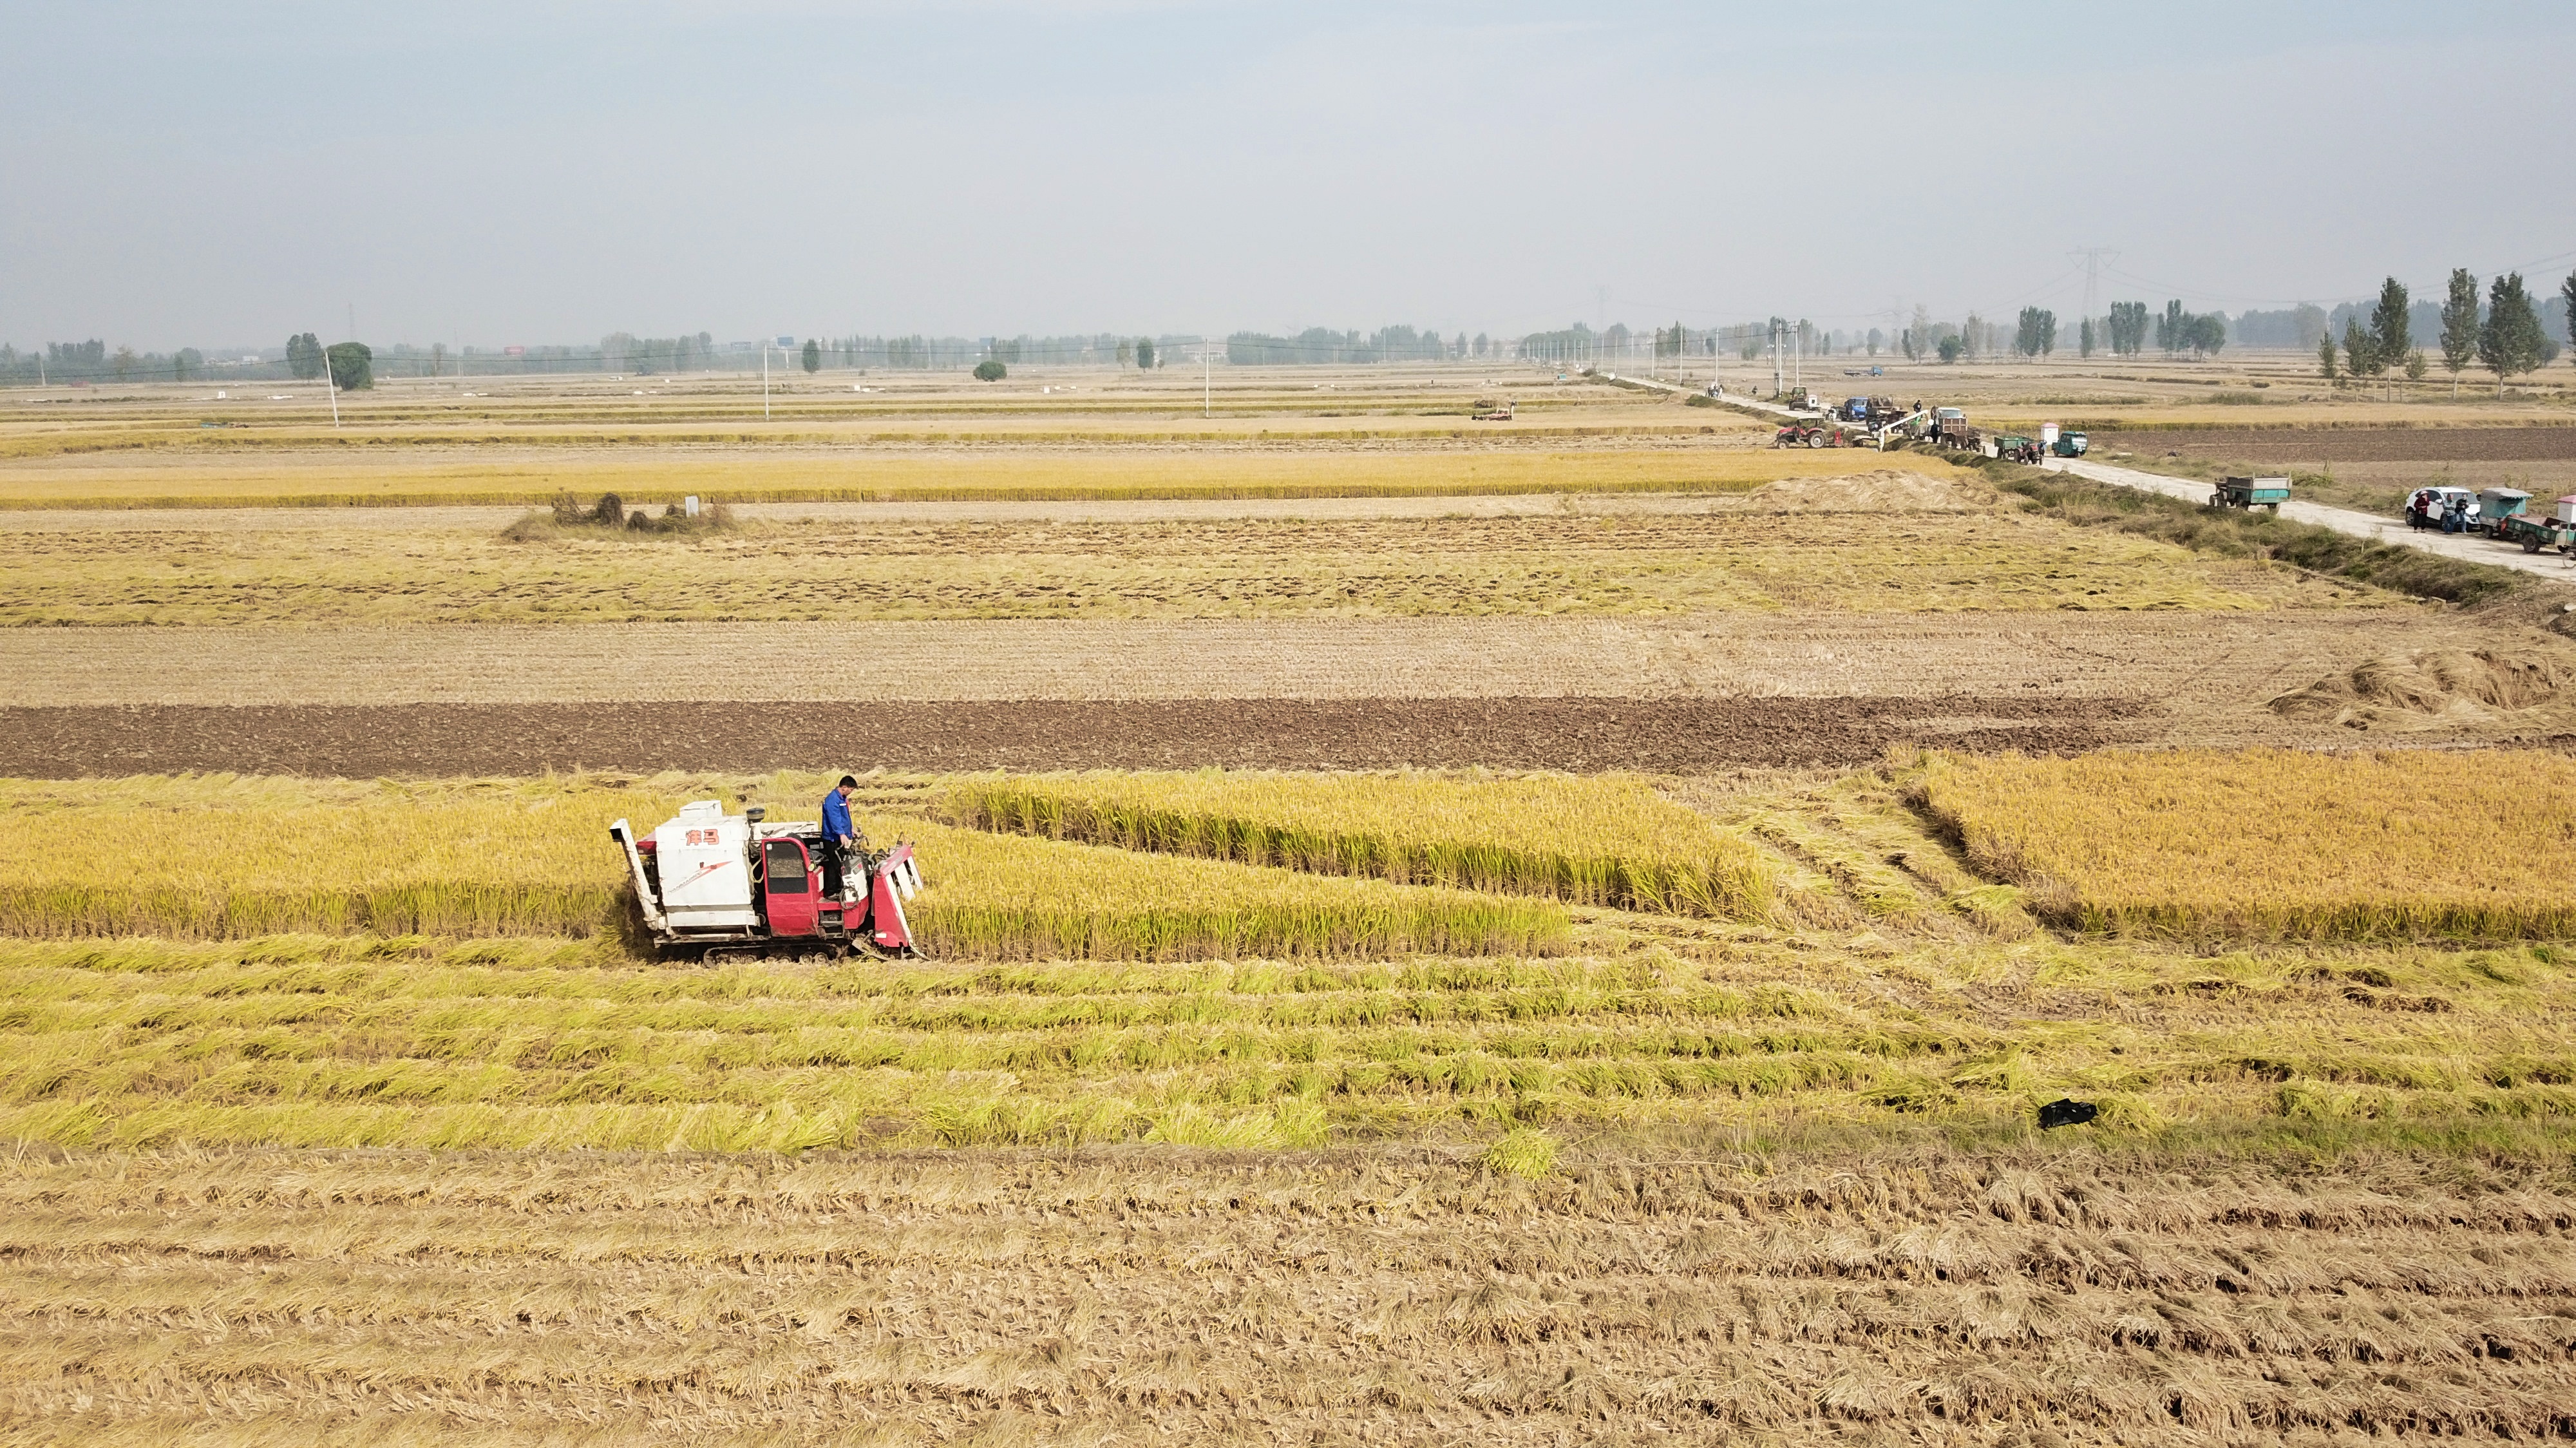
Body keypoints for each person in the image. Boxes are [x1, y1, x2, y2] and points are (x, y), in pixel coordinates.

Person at [819, 774, 864, 897]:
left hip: (840, 835)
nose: (851, 792)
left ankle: (839, 888)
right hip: (833, 838)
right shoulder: (832, 800)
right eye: (851, 789)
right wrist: (841, 834)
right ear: (844, 787)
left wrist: (850, 829)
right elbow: (835, 819)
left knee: (841, 864)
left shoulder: (842, 798)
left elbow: (844, 817)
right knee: (835, 864)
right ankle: (831, 892)